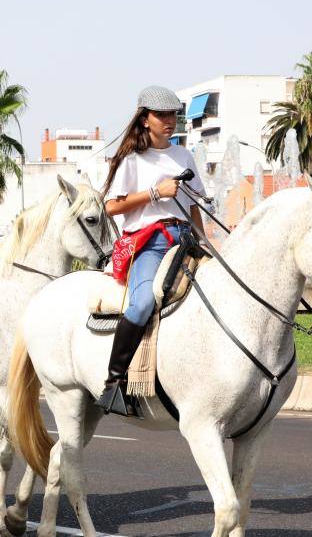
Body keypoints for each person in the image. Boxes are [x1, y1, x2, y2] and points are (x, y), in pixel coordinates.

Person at [95, 86, 205, 417]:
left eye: (174, 114)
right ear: (145, 119)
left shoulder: (184, 156)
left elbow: (196, 204)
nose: (169, 121)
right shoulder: (131, 160)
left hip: (185, 238)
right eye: (162, 115)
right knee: (142, 303)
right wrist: (156, 193)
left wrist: (206, 241)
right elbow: (112, 206)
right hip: (150, 242)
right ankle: (113, 383)